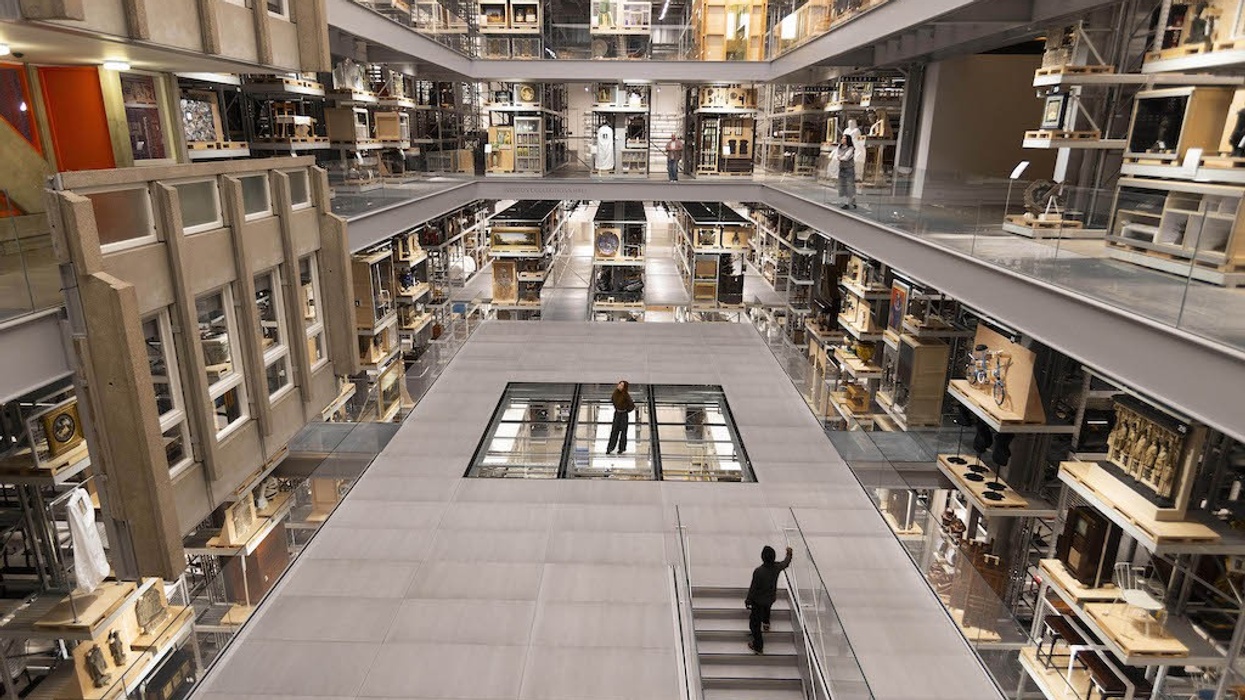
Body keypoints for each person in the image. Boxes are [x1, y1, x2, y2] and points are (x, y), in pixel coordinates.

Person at [745, 544, 793, 654]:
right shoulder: (776, 567)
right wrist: (789, 554)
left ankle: (758, 646)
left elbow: (753, 588)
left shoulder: (758, 571)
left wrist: (748, 600)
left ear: (762, 557)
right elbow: (785, 563)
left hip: (758, 601)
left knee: (754, 624)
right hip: (770, 598)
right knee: (767, 610)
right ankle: (766, 624)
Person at [606, 380, 635, 455]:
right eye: (620, 384)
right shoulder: (615, 393)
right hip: (617, 414)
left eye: (622, 385)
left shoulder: (626, 395)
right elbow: (613, 400)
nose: (620, 386)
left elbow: (631, 405)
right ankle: (610, 448)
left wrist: (625, 410)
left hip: (623, 415)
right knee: (614, 431)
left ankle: (621, 448)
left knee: (623, 432)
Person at [831, 133, 858, 209]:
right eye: (842, 138)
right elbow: (837, 156)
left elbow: (846, 157)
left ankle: (848, 202)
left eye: (844, 138)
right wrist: (840, 157)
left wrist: (841, 157)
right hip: (842, 167)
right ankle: (850, 200)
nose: (843, 140)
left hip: (849, 168)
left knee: (849, 185)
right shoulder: (840, 147)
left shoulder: (851, 148)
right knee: (842, 185)